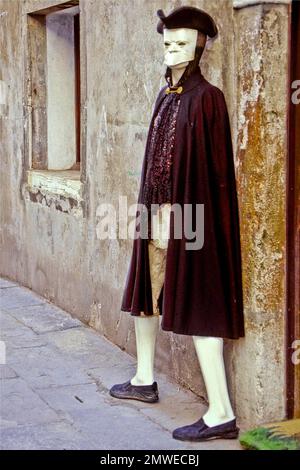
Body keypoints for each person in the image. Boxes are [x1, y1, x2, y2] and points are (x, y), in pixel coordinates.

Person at [110, 6, 245, 442]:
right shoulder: (166, 95)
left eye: (181, 43)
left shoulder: (208, 98)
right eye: (166, 42)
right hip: (155, 214)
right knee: (146, 292)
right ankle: (144, 378)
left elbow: (212, 171)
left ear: (200, 46)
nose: (171, 50)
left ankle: (220, 411)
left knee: (201, 302)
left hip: (191, 219)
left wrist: (186, 218)